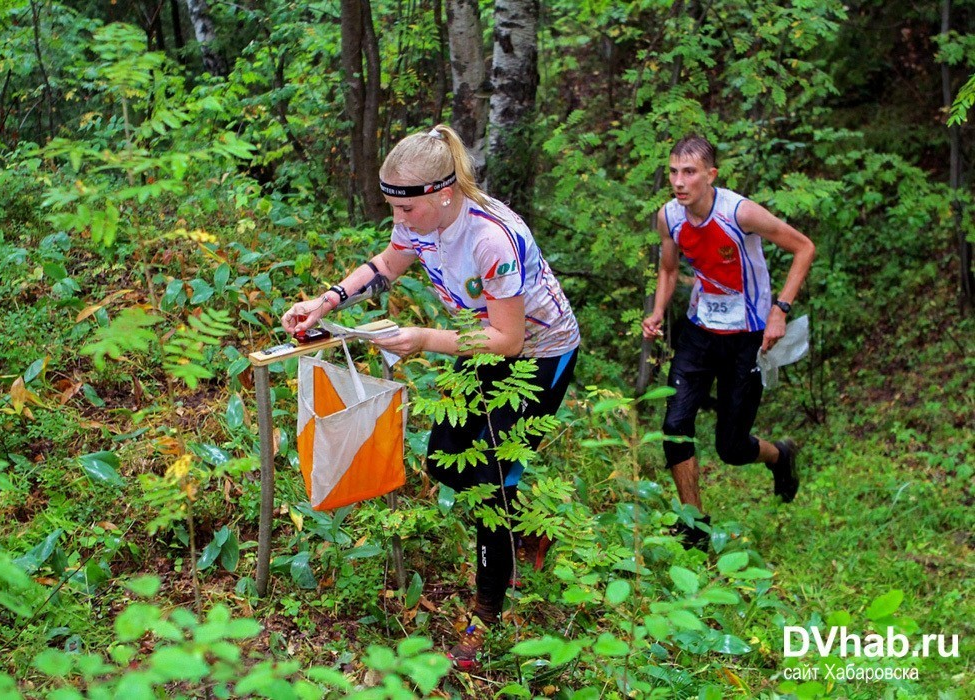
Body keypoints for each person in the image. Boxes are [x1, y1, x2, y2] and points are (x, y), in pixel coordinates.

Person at [281, 124, 580, 668]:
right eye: (391, 209)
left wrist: (423, 340)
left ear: (444, 194)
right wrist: (326, 302)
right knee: (444, 459)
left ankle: (486, 616)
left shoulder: (491, 239)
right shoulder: (423, 219)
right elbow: (388, 264)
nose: (399, 222)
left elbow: (509, 340)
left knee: (490, 482)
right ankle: (524, 533)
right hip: (478, 345)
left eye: (405, 211)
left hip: (538, 357)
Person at [641, 134, 815, 548]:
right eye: (673, 172)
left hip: (748, 338)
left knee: (732, 447)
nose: (679, 182)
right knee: (675, 425)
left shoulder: (740, 213)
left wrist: (780, 310)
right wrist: (659, 311)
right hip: (700, 331)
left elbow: (804, 248)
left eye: (689, 172)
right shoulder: (670, 216)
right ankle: (694, 527)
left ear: (710, 175)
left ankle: (780, 455)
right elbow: (668, 269)